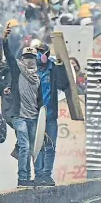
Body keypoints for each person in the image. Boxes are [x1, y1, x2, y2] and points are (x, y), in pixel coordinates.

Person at [3, 25, 42, 187]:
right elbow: (9, 57)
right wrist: (5, 41)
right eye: (26, 57)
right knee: (24, 146)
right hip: (19, 116)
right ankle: (22, 178)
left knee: (34, 148)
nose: (29, 60)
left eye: (32, 57)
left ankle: (33, 177)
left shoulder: (39, 76)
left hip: (34, 116)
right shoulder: (18, 70)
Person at [34, 43, 69, 186]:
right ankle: (38, 174)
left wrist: (60, 67)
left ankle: (47, 175)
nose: (37, 55)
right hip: (35, 114)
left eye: (40, 52)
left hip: (50, 114)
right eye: (36, 51)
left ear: (46, 54)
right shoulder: (31, 69)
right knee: (36, 146)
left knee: (50, 146)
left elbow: (63, 84)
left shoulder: (53, 68)